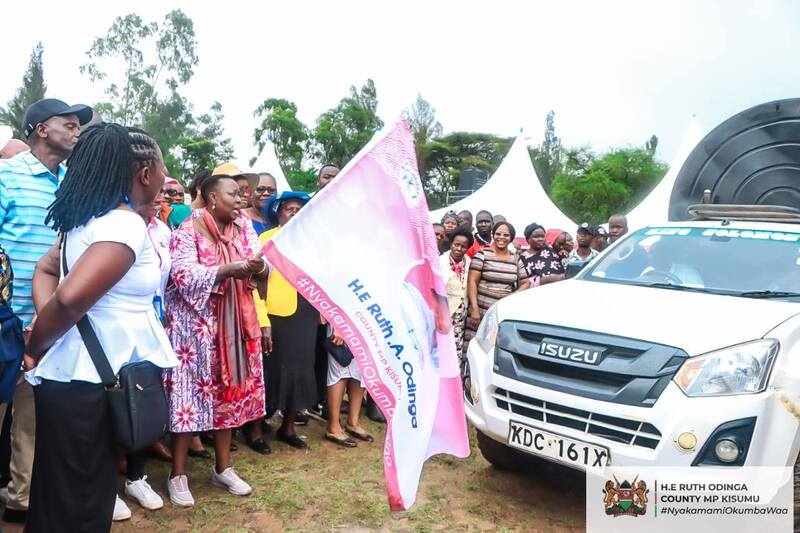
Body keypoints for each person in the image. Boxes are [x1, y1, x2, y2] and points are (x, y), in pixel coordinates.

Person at [24, 124, 178, 532]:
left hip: (80, 380)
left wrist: (50, 329)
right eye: (163, 169)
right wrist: (39, 343)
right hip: (89, 387)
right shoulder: (124, 225)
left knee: (65, 498)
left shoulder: (89, 221)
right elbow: (70, 297)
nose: (166, 178)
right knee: (80, 508)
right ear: (145, 174)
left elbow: (47, 273)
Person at [0, 98, 92, 525]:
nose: (76, 131)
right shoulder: (7, 176)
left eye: (78, 126)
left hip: (47, 321)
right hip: (4, 319)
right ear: (40, 128)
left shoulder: (72, 183)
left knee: (32, 418)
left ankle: (21, 497)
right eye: (68, 124)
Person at [163, 173, 267, 506]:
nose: (241, 199)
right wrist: (226, 270)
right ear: (211, 198)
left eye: (242, 194)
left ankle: (223, 468)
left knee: (231, 397)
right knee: (187, 401)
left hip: (235, 325)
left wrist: (257, 267)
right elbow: (181, 275)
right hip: (195, 331)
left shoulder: (244, 226)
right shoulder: (188, 230)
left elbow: (261, 262)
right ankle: (177, 475)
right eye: (233, 194)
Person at [255, 191, 319, 448]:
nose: (293, 212)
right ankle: (256, 429)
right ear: (278, 213)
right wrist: (262, 318)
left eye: (299, 208)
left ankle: (288, 427)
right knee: (269, 370)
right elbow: (255, 283)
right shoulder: (266, 240)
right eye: (288, 208)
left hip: (306, 314)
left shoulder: (315, 243)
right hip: (274, 313)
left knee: (301, 368)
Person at [464, 221, 523, 346]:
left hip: (501, 313)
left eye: (506, 235)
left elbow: (526, 282)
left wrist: (514, 296)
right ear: (493, 235)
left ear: (511, 238)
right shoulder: (482, 254)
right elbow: (472, 281)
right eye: (498, 234)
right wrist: (474, 309)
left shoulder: (515, 259)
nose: (501, 237)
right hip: (480, 310)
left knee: (494, 346)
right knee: (474, 345)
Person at [440, 228, 472, 357]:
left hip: (461, 315)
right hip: (443, 313)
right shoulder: (439, 262)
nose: (459, 249)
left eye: (463, 246)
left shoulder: (470, 263)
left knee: (455, 349)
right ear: (451, 244)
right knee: (440, 349)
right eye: (456, 244)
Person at [518, 223, 565, 289]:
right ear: (528, 239)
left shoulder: (551, 249)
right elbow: (523, 282)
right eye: (536, 237)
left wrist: (562, 254)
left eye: (542, 236)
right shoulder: (522, 259)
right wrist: (547, 279)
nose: (540, 239)